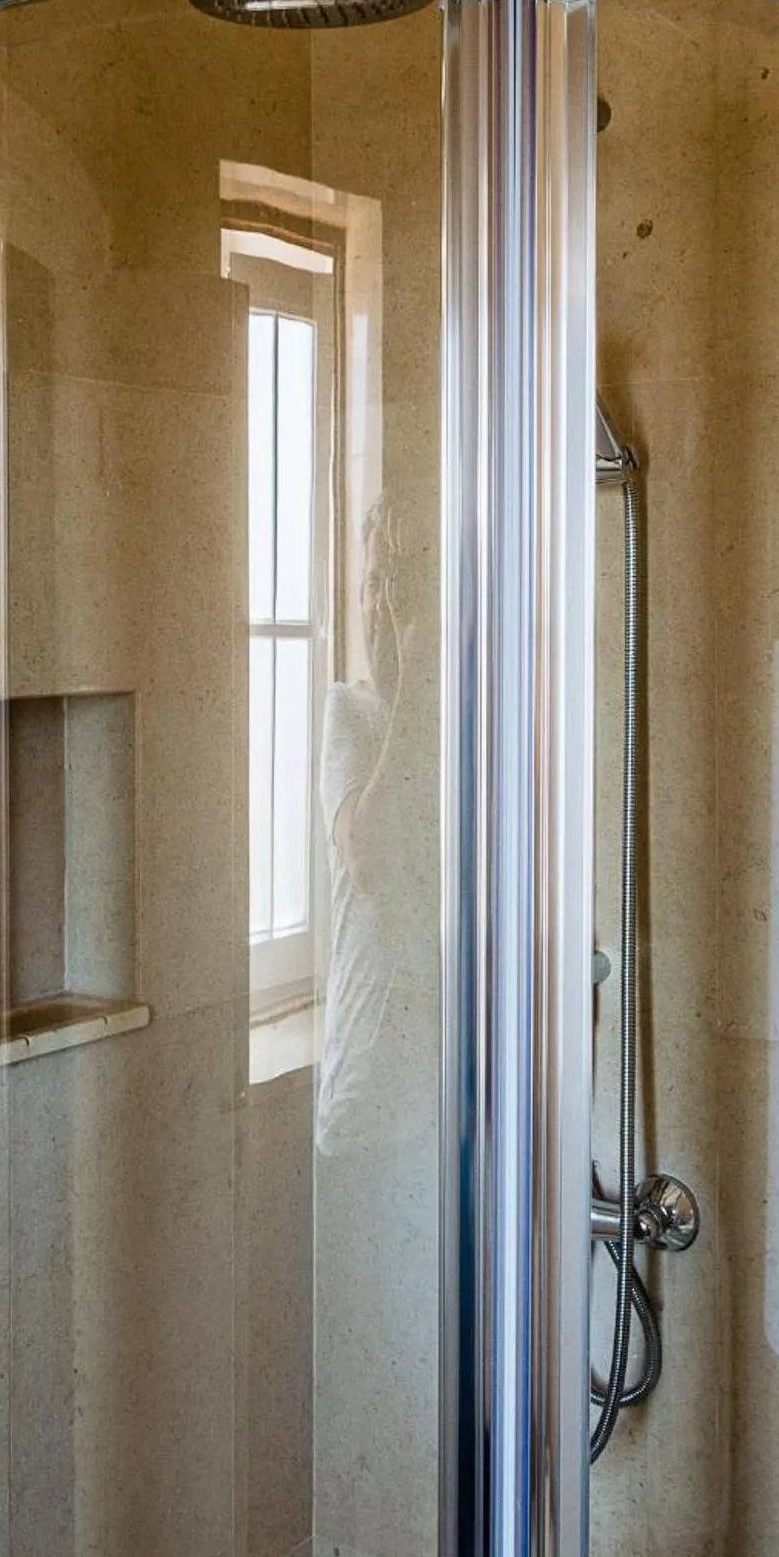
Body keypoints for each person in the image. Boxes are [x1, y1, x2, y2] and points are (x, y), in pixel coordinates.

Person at [316, 490, 416, 1153]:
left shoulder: (461, 718)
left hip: (437, 1058)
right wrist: (417, 684)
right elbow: (366, 852)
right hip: (364, 1069)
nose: (380, 604)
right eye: (371, 583)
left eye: (400, 582)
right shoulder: (346, 711)